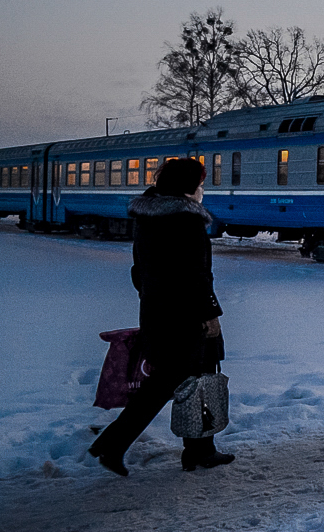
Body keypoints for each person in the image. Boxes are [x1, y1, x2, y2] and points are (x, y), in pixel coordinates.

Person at [89, 157, 234, 475]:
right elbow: (197, 276)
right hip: (187, 317)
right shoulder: (186, 219)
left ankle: (200, 449)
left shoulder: (148, 216)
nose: (202, 189)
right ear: (189, 186)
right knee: (169, 382)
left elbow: (138, 271)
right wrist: (210, 315)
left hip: (157, 312)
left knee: (193, 379)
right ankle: (113, 445)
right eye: (200, 182)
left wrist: (154, 297)